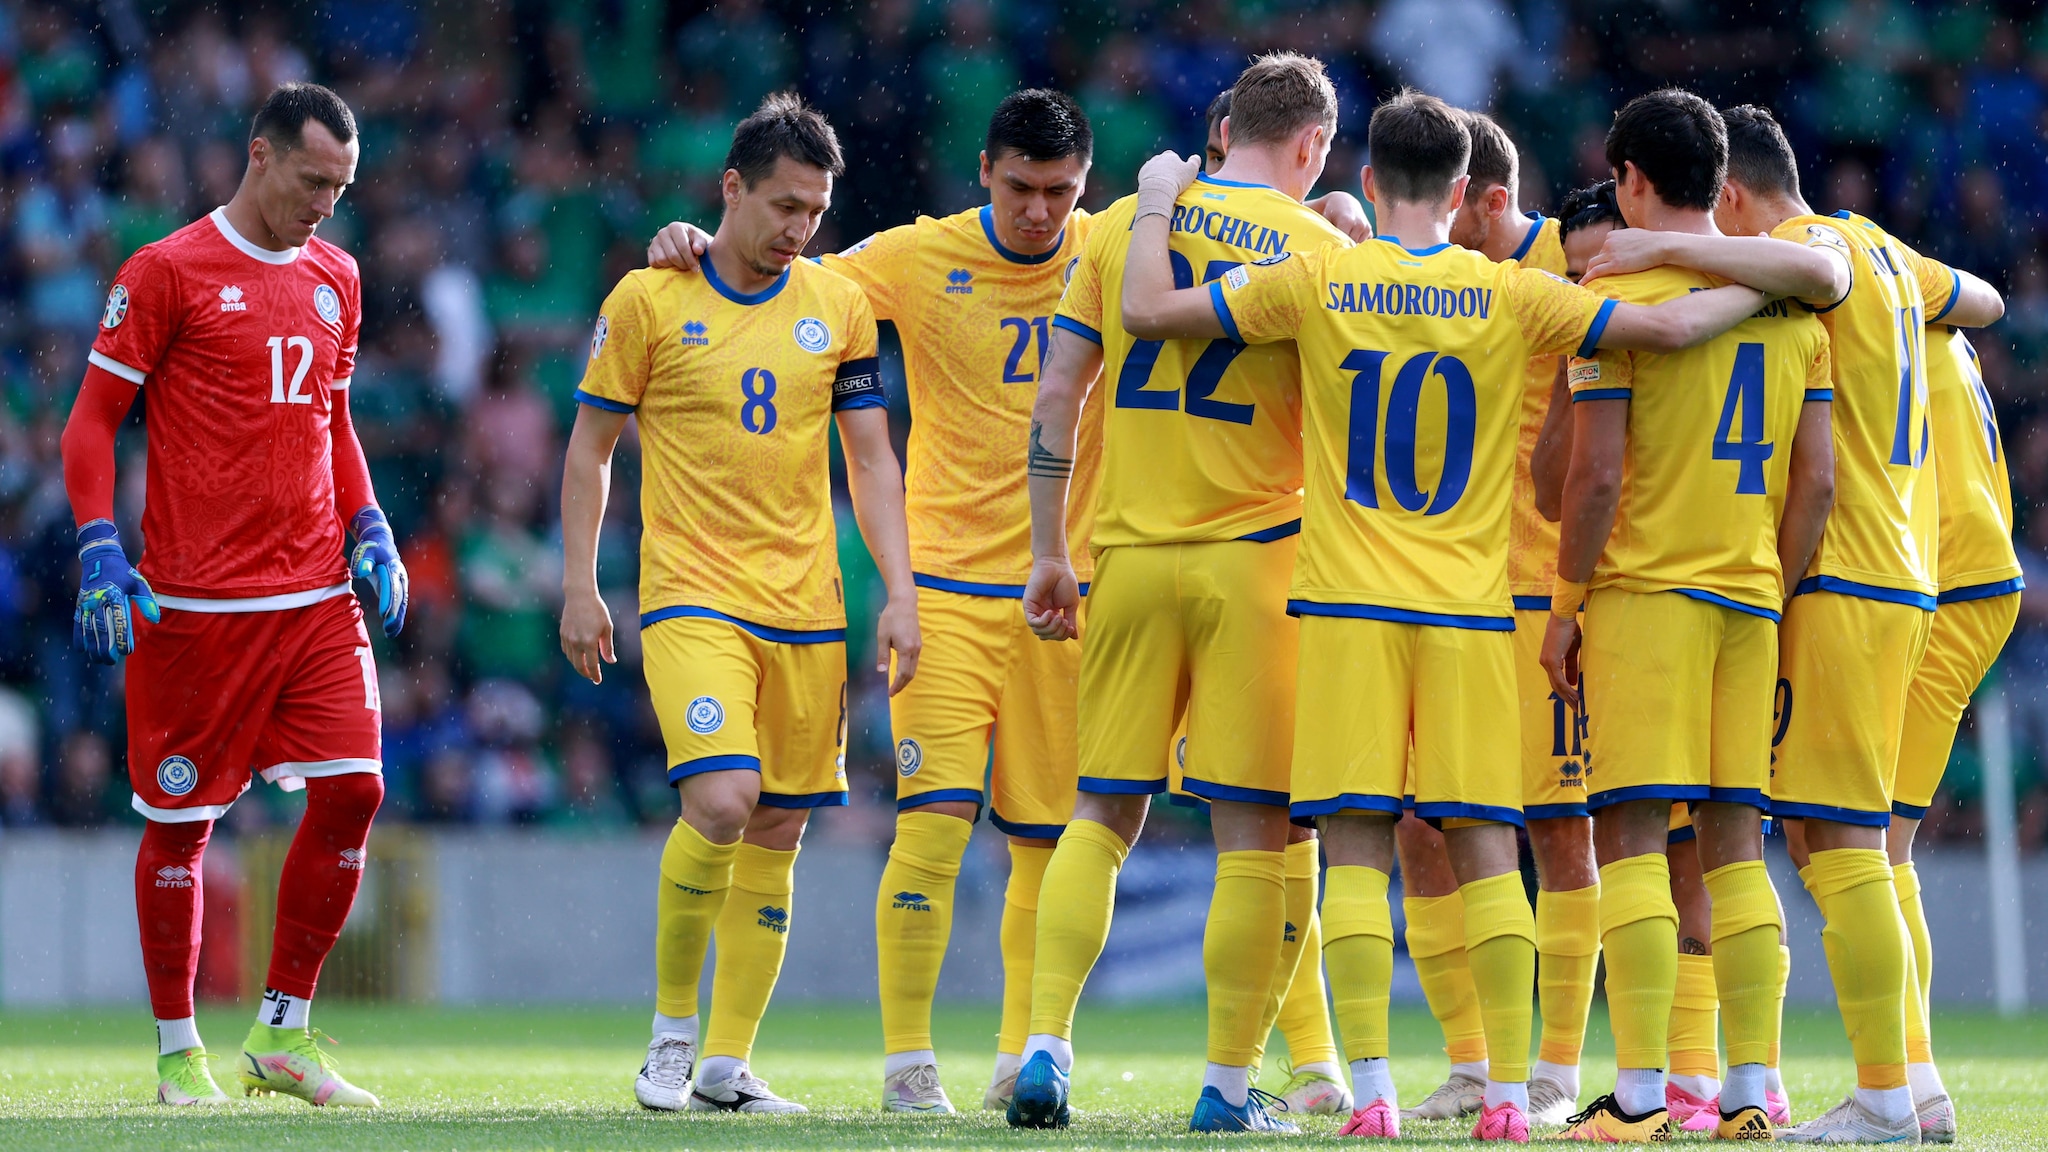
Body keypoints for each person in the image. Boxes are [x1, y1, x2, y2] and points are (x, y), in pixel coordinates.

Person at [1120, 88, 1778, 1142]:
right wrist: (1784, 275)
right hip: (1472, 615)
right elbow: (1666, 326)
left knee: (1356, 851)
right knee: (1489, 851)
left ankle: (1374, 1092)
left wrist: (1158, 198)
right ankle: (1512, 1096)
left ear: (1368, 179)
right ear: (1464, 188)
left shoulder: (1319, 276)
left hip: (1348, 609)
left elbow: (1150, 312)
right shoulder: (1509, 293)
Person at [1584, 101, 2005, 1144]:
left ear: (1731, 194)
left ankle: (1881, 1098)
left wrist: (1659, 248)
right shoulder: (1885, 251)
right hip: (1906, 573)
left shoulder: (1822, 251)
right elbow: (1986, 300)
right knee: (1856, 844)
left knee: (1843, 846)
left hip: (1849, 575)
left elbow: (1811, 272)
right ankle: (1911, 1085)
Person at [1011, 52, 1356, 1135]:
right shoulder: (1316, 252)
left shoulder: (1121, 226)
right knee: (1256, 836)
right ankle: (1226, 1088)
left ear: (1224, 129)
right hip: (1255, 562)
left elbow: (1058, 395)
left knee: (1101, 814)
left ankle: (1043, 1048)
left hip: (1125, 556)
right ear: (1310, 145)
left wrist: (1049, 551)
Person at [558, 92, 920, 1116]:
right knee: (720, 801)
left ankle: (726, 1062)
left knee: (776, 830)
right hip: (691, 597)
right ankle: (671, 1037)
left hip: (808, 606)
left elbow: (869, 460)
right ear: (731, 188)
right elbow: (590, 450)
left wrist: (898, 591)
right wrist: (581, 583)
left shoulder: (838, 306)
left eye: (815, 211)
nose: (799, 228)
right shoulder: (648, 298)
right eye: (783, 206)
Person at [61, 82, 405, 1109]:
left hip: (314, 598)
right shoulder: (166, 271)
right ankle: (180, 1054)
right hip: (197, 609)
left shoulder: (338, 276)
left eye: (341, 188)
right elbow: (90, 423)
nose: (324, 205)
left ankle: (282, 1035)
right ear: (260, 156)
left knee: (356, 791)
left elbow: (333, 420)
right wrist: (97, 546)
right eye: (312, 180)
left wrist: (370, 523)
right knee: (182, 827)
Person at [1538, 88, 1838, 1142]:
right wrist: (1771, 583)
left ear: (1627, 180)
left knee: (1627, 839)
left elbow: (1592, 479)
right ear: (1719, 181)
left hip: (1645, 597)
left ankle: (1635, 1098)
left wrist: (1564, 607)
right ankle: (1750, 1090)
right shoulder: (1788, 305)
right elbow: (1816, 484)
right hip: (1747, 599)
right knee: (1734, 848)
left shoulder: (1615, 300)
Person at [1388, 111, 1601, 1131]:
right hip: (1443, 595)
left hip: (1543, 595)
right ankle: (1471, 1064)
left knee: (1560, 827)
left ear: (1487, 200)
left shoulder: (1571, 260)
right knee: (1418, 828)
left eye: (1449, 206)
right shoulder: (1426, 283)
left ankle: (1554, 1067)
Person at [1887, 325, 2021, 1139]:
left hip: (1948, 583)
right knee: (1877, 848)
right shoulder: (1937, 317)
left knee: (1868, 848)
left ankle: (1909, 1087)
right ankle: (1912, 1081)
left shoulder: (1873, 300)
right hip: (1977, 574)